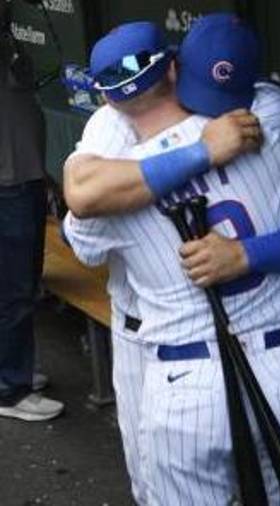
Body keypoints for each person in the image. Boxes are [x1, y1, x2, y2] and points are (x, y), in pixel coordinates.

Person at [63, 17, 280, 505]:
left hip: (181, 380)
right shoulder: (259, 130)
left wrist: (238, 252)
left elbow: (82, 225)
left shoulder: (115, 179)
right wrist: (203, 154)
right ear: (173, 70)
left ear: (107, 97)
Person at [0, 0, 64, 421]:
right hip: (9, 181)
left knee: (18, 283)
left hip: (21, 174)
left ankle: (11, 370)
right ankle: (10, 387)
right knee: (15, 289)